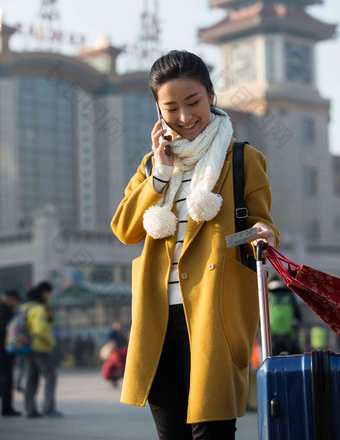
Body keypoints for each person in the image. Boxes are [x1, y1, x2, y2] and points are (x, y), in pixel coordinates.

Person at [110, 50, 280, 439]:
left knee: (212, 431)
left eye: (193, 103)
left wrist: (264, 235)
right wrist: (160, 175)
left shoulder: (242, 158)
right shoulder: (152, 164)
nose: (184, 117)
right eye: (171, 108)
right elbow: (124, 229)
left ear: (211, 95)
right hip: (158, 318)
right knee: (170, 433)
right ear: (158, 111)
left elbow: (263, 225)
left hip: (214, 312)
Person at [21, 281, 62, 418]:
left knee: (31, 379)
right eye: (49, 293)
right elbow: (40, 329)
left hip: (28, 347)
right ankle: (48, 408)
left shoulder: (26, 307)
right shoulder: (39, 309)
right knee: (50, 377)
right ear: (44, 293)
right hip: (41, 347)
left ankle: (30, 409)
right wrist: (51, 341)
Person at [0, 289, 22, 417]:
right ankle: (7, 408)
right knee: (6, 380)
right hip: (4, 352)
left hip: (4, 352)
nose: (16, 303)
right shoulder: (5, 312)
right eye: (15, 300)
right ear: (9, 298)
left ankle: (7, 407)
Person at [268, 278, 301, 356]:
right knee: (292, 359)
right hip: (289, 336)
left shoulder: (267, 295)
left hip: (271, 336)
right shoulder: (289, 295)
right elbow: (298, 316)